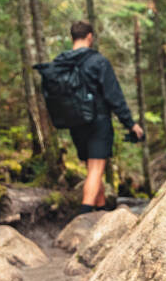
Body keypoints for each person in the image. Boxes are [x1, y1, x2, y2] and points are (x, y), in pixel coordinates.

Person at [53, 21, 144, 214]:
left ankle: (101, 209)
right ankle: (84, 216)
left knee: (92, 168)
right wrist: (130, 124)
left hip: (74, 122)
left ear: (72, 38)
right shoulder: (98, 61)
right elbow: (114, 96)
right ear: (89, 37)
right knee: (96, 169)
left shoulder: (61, 63)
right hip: (97, 121)